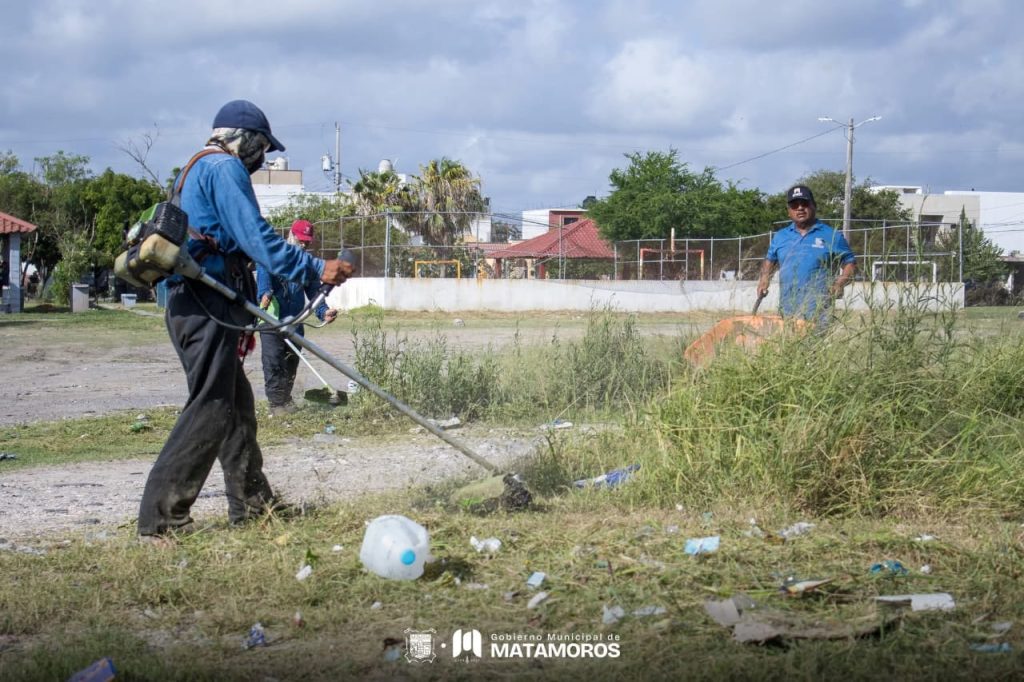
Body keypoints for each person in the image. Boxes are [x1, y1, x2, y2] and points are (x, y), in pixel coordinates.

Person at [137, 100, 355, 543]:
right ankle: (161, 518)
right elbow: (257, 238)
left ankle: (253, 505)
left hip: (195, 304)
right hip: (206, 305)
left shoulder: (194, 168)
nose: (261, 158)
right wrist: (316, 268)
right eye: (260, 148)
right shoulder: (223, 169)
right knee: (211, 408)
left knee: (235, 407)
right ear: (245, 140)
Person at [257, 219, 339, 415]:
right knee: (274, 362)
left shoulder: (307, 267)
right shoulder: (272, 257)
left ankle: (286, 400)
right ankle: (277, 405)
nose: (303, 245)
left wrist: (323, 313)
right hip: (271, 321)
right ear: (290, 236)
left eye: (307, 242)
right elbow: (263, 276)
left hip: (295, 322)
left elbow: (314, 294)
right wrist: (265, 293)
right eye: (300, 240)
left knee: (291, 363)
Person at [757, 185, 856, 326]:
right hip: (787, 310)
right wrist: (764, 279)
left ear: (814, 206)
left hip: (819, 312)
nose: (800, 208)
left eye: (804, 203)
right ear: (788, 211)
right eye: (794, 205)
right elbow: (770, 260)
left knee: (816, 346)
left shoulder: (831, 235)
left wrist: (839, 283)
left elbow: (850, 262)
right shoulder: (780, 236)